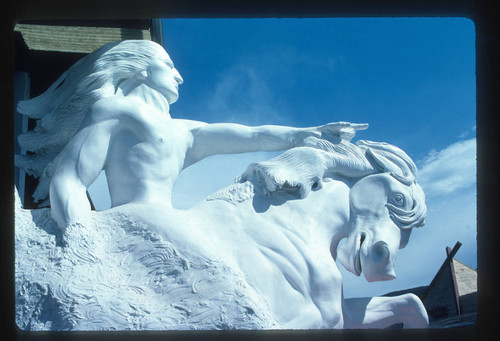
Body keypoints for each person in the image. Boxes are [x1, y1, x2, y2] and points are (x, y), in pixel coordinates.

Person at [16, 40, 366, 228]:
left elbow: (255, 135)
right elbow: (71, 181)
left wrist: (307, 133)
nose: (179, 75)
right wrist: (81, 239)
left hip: (170, 220)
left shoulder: (185, 131)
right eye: (169, 65)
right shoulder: (116, 110)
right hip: (134, 222)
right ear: (140, 67)